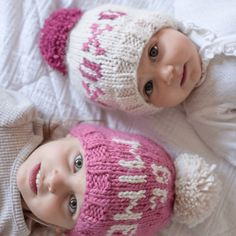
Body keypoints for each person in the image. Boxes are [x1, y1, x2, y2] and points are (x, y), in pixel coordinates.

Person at [0, 88, 220, 236]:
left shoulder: (11, 228)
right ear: (71, 137)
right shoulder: (16, 119)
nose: (55, 182)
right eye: (77, 163)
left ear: (61, 228)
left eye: (72, 204)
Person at [40, 4, 236, 166]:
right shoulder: (205, 113)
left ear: (161, 26)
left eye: (153, 52)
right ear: (151, 106)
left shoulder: (198, 8)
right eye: (148, 87)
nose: (167, 73)